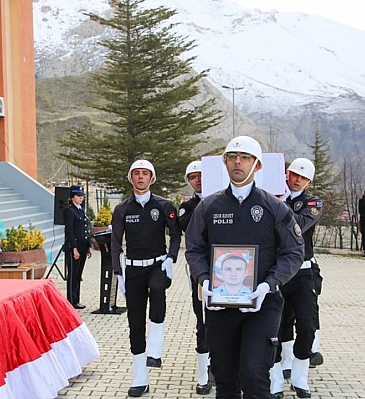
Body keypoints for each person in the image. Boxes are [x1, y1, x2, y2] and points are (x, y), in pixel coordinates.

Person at [186, 136, 304, 399]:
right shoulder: (208, 206)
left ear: (257, 166)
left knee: (253, 376)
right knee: (225, 379)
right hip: (219, 306)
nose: (237, 162)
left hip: (262, 305)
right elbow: (194, 248)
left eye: (245, 158)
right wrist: (205, 281)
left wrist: (269, 284)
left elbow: (294, 251)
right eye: (232, 157)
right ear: (224, 163)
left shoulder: (275, 208)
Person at [111, 159, 182, 397]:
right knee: (135, 323)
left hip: (158, 265)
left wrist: (171, 258)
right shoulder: (122, 209)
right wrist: (118, 272)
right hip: (133, 270)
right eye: (136, 173)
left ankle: (156, 350)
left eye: (145, 174)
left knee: (158, 290)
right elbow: (115, 243)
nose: (140, 177)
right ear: (130, 178)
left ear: (152, 179)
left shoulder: (164, 205)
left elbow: (175, 234)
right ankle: (140, 377)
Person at [270, 158, 321, 399]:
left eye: (302, 177)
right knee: (274, 326)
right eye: (293, 174)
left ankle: (300, 376)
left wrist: (278, 205)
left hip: (302, 272)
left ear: (308, 181)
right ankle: (275, 376)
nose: (297, 179)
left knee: (307, 323)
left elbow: (299, 224)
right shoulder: (271, 196)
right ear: (286, 174)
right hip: (277, 270)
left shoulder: (311, 203)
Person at [177, 160, 212, 395]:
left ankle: (222, 367)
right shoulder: (187, 207)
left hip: (228, 269)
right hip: (200, 271)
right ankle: (203, 374)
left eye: (201, 175)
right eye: (193, 177)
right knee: (202, 320)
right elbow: (190, 229)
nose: (197, 180)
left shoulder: (222, 201)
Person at [63, 185, 92, 309]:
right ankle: (71, 300)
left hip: (83, 246)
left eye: (82, 196)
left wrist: (88, 246)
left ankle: (77, 299)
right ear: (72, 197)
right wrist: (74, 247)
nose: (81, 198)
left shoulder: (81, 210)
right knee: (73, 274)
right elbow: (69, 231)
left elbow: (85, 230)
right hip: (74, 247)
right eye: (78, 196)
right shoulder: (69, 211)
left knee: (78, 274)